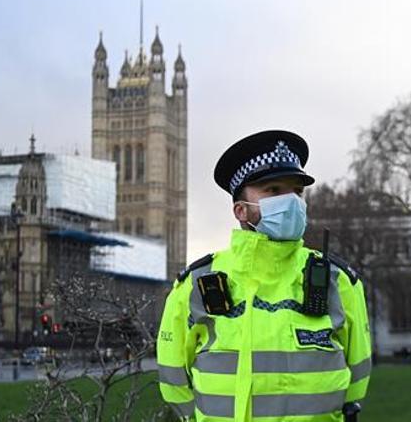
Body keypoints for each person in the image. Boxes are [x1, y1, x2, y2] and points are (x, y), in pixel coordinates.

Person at [157, 130, 372, 421]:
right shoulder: (195, 284)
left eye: (297, 191)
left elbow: (358, 374)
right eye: (273, 190)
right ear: (241, 210)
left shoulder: (338, 280)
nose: (291, 201)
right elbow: (173, 377)